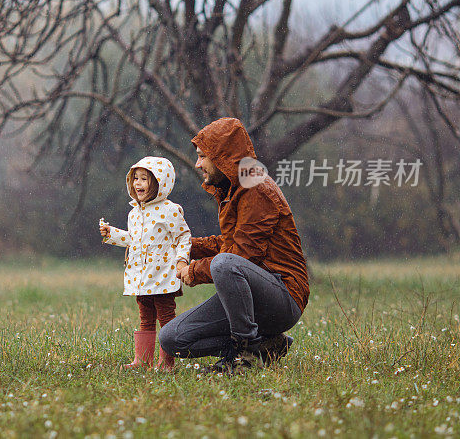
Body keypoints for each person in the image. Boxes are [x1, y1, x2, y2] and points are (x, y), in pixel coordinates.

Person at [158, 118, 309, 375]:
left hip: (283, 295)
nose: (197, 164)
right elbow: (229, 244)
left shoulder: (257, 189)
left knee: (224, 263)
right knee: (172, 339)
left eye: (203, 156)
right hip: (249, 293)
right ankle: (267, 345)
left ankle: (245, 353)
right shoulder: (232, 189)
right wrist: (184, 245)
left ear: (222, 156)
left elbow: (241, 255)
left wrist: (193, 271)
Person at [100, 156, 192, 371]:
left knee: (166, 317)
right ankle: (142, 361)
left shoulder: (170, 209)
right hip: (141, 276)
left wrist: (181, 261)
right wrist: (112, 234)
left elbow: (183, 237)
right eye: (135, 179)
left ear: (160, 182)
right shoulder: (134, 213)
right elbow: (134, 240)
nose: (137, 184)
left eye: (144, 179)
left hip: (163, 276)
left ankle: (167, 362)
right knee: (145, 318)